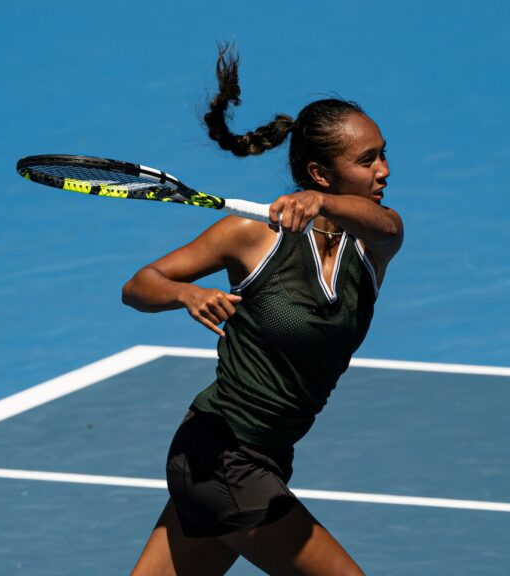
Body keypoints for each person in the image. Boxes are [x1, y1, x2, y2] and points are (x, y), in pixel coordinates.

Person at [124, 44, 403, 576]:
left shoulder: (373, 240)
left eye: (384, 154)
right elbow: (139, 285)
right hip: (223, 455)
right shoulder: (251, 236)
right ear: (320, 172)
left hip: (266, 456)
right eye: (367, 161)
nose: (383, 171)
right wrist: (186, 294)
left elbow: (388, 226)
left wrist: (322, 206)